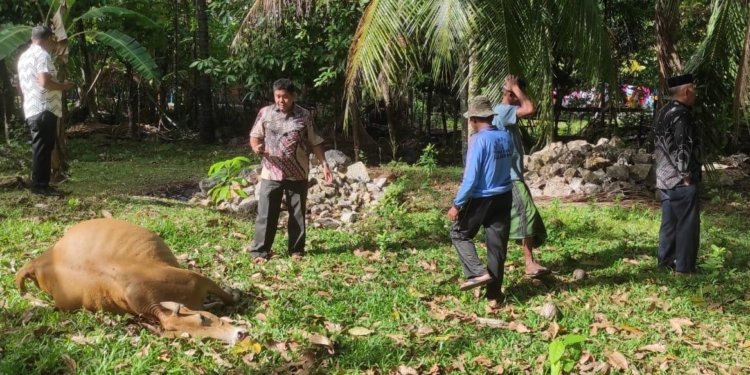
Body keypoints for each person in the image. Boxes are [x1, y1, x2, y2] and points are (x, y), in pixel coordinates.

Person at [248, 79, 333, 263]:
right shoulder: (265, 113)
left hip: (298, 172)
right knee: (266, 213)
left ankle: (296, 250)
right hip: (272, 172)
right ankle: (260, 251)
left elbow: (315, 141)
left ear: (293, 96)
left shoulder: (304, 116)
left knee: (297, 214)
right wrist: (257, 148)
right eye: (278, 96)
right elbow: (255, 136)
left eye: (285, 97)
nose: (281, 100)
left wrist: (324, 164)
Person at [448, 95, 513, 302]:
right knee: (497, 248)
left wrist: (457, 204)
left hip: (481, 198)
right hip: (504, 195)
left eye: (470, 120)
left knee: (459, 234)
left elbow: (471, 178)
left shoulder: (478, 140)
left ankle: (477, 272)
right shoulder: (505, 137)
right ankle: (494, 296)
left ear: (474, 119)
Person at [492, 75, 550, 278]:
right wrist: (515, 87)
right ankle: (529, 263)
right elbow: (530, 108)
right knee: (526, 213)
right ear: (510, 94)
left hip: (512, 175)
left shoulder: (505, 114)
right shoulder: (503, 110)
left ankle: (508, 261)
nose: (521, 97)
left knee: (510, 219)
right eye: (517, 94)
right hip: (511, 177)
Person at [17, 25, 74, 196]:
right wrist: (64, 86)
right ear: (48, 39)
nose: (54, 44)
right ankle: (40, 186)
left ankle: (41, 184)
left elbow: (24, 86)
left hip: (32, 107)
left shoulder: (24, 57)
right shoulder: (42, 55)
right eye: (52, 40)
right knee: (43, 148)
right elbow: (44, 82)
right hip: (44, 107)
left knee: (41, 147)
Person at [654, 73, 701, 275]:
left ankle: (665, 262)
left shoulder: (664, 111)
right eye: (694, 90)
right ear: (686, 91)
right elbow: (682, 147)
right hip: (681, 180)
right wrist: (686, 176)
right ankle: (684, 268)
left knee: (670, 222)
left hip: (664, 178)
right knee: (688, 224)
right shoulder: (682, 114)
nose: (696, 95)